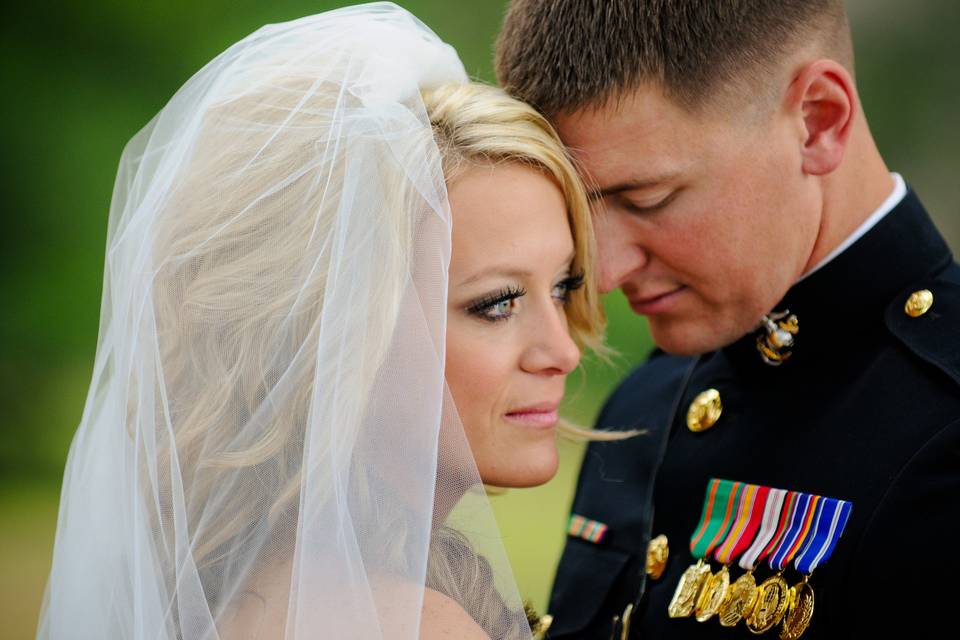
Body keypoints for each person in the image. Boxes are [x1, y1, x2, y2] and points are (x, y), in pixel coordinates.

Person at [37, 4, 613, 639]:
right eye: (496, 303)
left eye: (563, 288)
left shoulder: (243, 588)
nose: (561, 349)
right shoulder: (408, 624)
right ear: (333, 334)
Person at [496, 1, 960, 638]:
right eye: (580, 207)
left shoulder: (945, 423)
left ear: (819, 120)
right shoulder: (644, 403)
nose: (604, 274)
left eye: (648, 199)